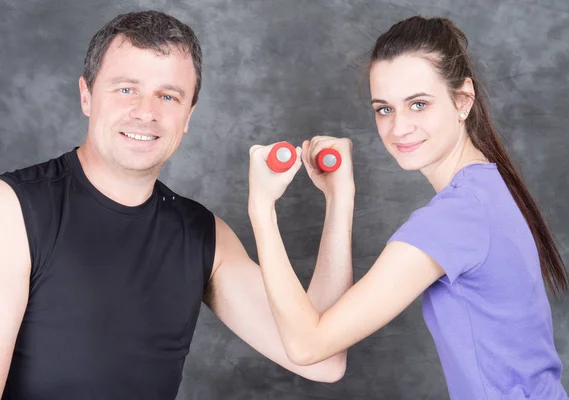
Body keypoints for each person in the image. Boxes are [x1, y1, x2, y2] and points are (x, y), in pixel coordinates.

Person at [0, 11, 351, 400]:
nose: (146, 112)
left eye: (168, 96)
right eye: (125, 89)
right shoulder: (13, 209)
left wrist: (338, 199)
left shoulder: (204, 235)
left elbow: (322, 357)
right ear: (86, 95)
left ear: (188, 116)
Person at [248, 16, 569, 400]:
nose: (399, 127)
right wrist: (340, 197)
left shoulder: (453, 220)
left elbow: (308, 346)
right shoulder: (487, 189)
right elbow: (325, 334)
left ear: (463, 100)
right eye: (384, 109)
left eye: (418, 104)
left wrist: (261, 209)